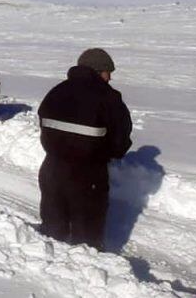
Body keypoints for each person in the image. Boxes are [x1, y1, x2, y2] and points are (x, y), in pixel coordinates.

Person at [37, 48, 132, 250]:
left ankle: (48, 270)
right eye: (108, 71)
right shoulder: (109, 97)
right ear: (99, 70)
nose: (110, 77)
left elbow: (44, 126)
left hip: (51, 170)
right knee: (87, 242)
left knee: (53, 235)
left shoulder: (56, 91)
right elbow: (119, 142)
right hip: (88, 176)